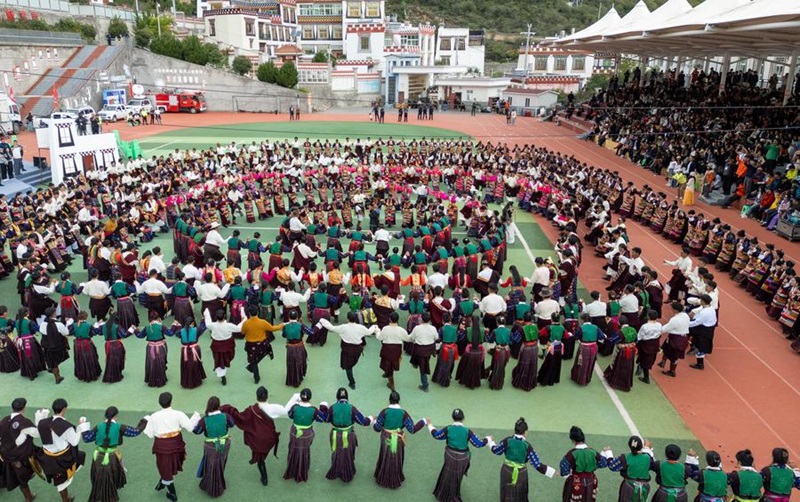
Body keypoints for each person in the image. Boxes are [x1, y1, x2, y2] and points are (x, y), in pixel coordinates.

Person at [221, 387, 299, 486]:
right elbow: (286, 411)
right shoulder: (274, 407)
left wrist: (228, 408)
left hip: (257, 439)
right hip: (270, 438)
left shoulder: (251, 409)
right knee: (261, 454)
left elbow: (240, 417)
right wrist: (294, 398)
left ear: (256, 396)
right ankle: (257, 458)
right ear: (267, 396)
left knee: (260, 459)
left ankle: (264, 478)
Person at [81, 406, 147, 502]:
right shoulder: (120, 427)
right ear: (116, 416)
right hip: (112, 458)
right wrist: (144, 421)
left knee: (98, 479)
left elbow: (87, 438)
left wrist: (83, 426)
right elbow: (135, 432)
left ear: (105, 416)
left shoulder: (98, 426)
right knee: (112, 479)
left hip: (98, 457)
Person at [142, 392, 201, 502]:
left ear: (159, 403)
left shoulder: (154, 417)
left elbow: (150, 434)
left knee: (165, 467)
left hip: (161, 447)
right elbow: (190, 427)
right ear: (171, 402)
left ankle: (170, 490)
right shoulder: (178, 414)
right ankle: (169, 488)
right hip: (176, 445)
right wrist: (195, 417)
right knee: (169, 466)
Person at [30, 399, 90, 502]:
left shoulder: (42, 423)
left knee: (80, 457)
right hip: (62, 459)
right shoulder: (66, 426)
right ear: (64, 409)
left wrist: (41, 416)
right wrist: (80, 426)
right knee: (62, 482)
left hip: (46, 457)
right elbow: (75, 442)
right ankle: (65, 500)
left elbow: (39, 431)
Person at [428, 408, 491, 501]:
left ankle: (442, 494)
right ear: (463, 418)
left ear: (452, 417)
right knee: (457, 478)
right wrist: (488, 439)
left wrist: (429, 425)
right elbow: (479, 443)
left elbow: (436, 435)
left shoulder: (448, 428)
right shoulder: (467, 431)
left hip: (449, 455)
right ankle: (454, 496)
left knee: (447, 474)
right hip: (463, 458)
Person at [489, 417, 555, 501]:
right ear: (525, 432)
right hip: (521, 473)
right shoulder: (527, 446)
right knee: (521, 496)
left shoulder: (507, 441)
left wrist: (490, 442)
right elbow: (537, 464)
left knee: (506, 494)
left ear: (515, 430)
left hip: (506, 471)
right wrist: (552, 472)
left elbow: (496, 451)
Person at [372, 391, 426, 489]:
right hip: (398, 438)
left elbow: (377, 428)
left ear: (389, 400)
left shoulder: (384, 412)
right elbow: (412, 429)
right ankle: (394, 479)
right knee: (396, 457)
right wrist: (423, 421)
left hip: (386, 437)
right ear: (399, 401)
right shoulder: (403, 413)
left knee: (385, 455)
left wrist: (374, 421)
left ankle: (382, 476)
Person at [322, 388, 372, 483]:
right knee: (348, 454)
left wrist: (323, 408)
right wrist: (371, 418)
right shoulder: (351, 408)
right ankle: (347, 472)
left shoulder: (332, 408)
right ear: (347, 398)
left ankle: (336, 470)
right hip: (349, 435)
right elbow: (363, 422)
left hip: (335, 435)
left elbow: (325, 419)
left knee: (336, 452)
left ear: (337, 397)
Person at [320, 312, 379, 389]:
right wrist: (374, 327)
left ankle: (352, 382)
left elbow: (332, 328)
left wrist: (322, 321)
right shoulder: (360, 327)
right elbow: (369, 332)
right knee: (351, 364)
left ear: (347, 319)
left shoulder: (344, 327)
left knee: (348, 367)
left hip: (346, 349)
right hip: (357, 350)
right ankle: (351, 381)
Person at [193, 396, 235, 498]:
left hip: (211, 447)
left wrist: (195, 421)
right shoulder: (226, 416)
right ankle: (219, 482)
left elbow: (197, 431)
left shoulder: (204, 420)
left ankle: (212, 488)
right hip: (225, 444)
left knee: (211, 465)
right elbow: (232, 424)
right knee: (221, 462)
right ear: (218, 406)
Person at [284, 388, 325, 483]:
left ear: (300, 398)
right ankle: (302, 470)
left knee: (293, 448)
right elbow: (322, 419)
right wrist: (323, 408)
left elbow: (290, 415)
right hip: (306, 434)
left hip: (294, 433)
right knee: (304, 450)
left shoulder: (295, 407)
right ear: (310, 398)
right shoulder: (314, 410)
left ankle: (292, 469)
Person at [559, 426, 610, 502]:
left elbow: (563, 470)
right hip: (591, 481)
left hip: (576, 483)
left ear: (573, 440)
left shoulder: (571, 454)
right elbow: (603, 463)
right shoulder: (592, 452)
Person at [0, 398, 37, 502]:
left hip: (6, 456)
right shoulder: (24, 422)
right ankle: (28, 498)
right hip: (20, 457)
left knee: (20, 479)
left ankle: (28, 497)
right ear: (24, 408)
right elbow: (37, 433)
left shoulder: (3, 420)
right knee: (23, 479)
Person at [242, 306, 284, 384]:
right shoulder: (263, 322)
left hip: (251, 345)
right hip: (262, 344)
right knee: (267, 349)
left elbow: (243, 332)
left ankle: (256, 378)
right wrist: (281, 325)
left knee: (253, 361)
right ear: (257, 312)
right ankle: (253, 366)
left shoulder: (246, 323)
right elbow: (272, 328)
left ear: (249, 313)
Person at [607, 435, 655, 502]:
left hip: (628, 487)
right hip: (644, 487)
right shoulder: (647, 457)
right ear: (641, 446)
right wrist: (647, 448)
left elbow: (612, 466)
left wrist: (608, 453)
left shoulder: (625, 457)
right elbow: (652, 464)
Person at [204, 307, 243, 386]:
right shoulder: (229, 325)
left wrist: (206, 312)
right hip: (227, 346)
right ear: (225, 316)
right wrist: (244, 318)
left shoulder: (213, 325)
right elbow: (239, 328)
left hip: (217, 346)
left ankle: (222, 374)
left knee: (218, 360)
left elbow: (207, 323)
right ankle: (222, 372)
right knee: (225, 359)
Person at [376, 311, 411, 391]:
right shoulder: (401, 330)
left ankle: (391, 384)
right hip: (396, 350)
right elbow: (408, 338)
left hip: (387, 349)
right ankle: (388, 373)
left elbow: (379, 338)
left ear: (389, 319)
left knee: (387, 363)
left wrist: (377, 331)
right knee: (392, 363)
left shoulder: (385, 329)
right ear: (397, 320)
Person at [603, 315, 637, 392]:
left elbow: (612, 341)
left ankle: (617, 383)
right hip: (631, 350)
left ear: (619, 323)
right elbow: (636, 339)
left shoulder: (620, 332)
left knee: (618, 365)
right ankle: (626, 384)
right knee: (628, 367)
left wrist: (606, 338)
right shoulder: (634, 330)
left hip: (622, 351)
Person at [571, 314, 606, 386]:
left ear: (583, 320)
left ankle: (580, 379)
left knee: (581, 363)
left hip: (584, 348)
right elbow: (602, 336)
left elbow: (575, 337)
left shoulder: (581, 327)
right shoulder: (595, 327)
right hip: (594, 347)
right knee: (590, 363)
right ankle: (587, 378)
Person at [658, 302, 690, 377]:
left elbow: (665, 328)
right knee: (666, 348)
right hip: (683, 337)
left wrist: (658, 330)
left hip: (675, 338)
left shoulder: (674, 319)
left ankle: (672, 371)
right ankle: (663, 362)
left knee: (674, 355)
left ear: (675, 310)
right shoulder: (685, 315)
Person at [39, 307, 70, 384]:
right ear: (53, 314)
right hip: (57, 346)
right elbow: (66, 333)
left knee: (51, 361)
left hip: (47, 346)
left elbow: (41, 331)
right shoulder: (59, 324)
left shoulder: (43, 324)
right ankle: (57, 377)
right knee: (55, 362)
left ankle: (52, 368)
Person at [409, 311, 438, 392]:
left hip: (419, 350)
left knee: (423, 368)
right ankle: (416, 363)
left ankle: (425, 385)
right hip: (429, 350)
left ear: (421, 319)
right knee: (424, 364)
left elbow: (412, 338)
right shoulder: (433, 328)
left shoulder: (417, 328)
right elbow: (436, 337)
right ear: (429, 320)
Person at [688, 294, 717, 370]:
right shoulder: (711, 309)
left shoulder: (705, 312)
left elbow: (697, 322)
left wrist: (687, 324)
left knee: (701, 347)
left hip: (704, 331)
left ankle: (700, 364)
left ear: (703, 301)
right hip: (709, 329)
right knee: (702, 346)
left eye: (701, 300)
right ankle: (699, 362)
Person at [511, 312, 539, 391]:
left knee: (524, 366)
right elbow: (538, 336)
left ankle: (522, 382)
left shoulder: (521, 328)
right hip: (534, 348)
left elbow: (515, 339)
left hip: (526, 348)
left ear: (524, 319)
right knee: (532, 365)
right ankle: (531, 382)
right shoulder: (535, 327)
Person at [177, 316, 207, 389]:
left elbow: (176, 334)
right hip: (195, 350)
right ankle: (196, 381)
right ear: (192, 323)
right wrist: (203, 320)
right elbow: (204, 327)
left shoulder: (181, 331)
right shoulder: (196, 330)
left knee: (186, 365)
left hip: (184, 351)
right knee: (195, 365)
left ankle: (186, 382)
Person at [71, 311, 101, 382]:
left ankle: (81, 374)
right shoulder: (88, 325)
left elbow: (70, 332)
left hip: (77, 344)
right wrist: (98, 325)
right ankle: (91, 374)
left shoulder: (74, 324)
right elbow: (94, 332)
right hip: (86, 343)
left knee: (79, 358)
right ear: (86, 317)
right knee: (89, 358)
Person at [635, 310, 662, 384]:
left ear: (648, 316)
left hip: (645, 344)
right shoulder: (659, 325)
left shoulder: (645, 326)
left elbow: (639, 336)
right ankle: (641, 366)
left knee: (644, 360)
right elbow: (660, 334)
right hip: (654, 344)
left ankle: (646, 377)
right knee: (650, 359)